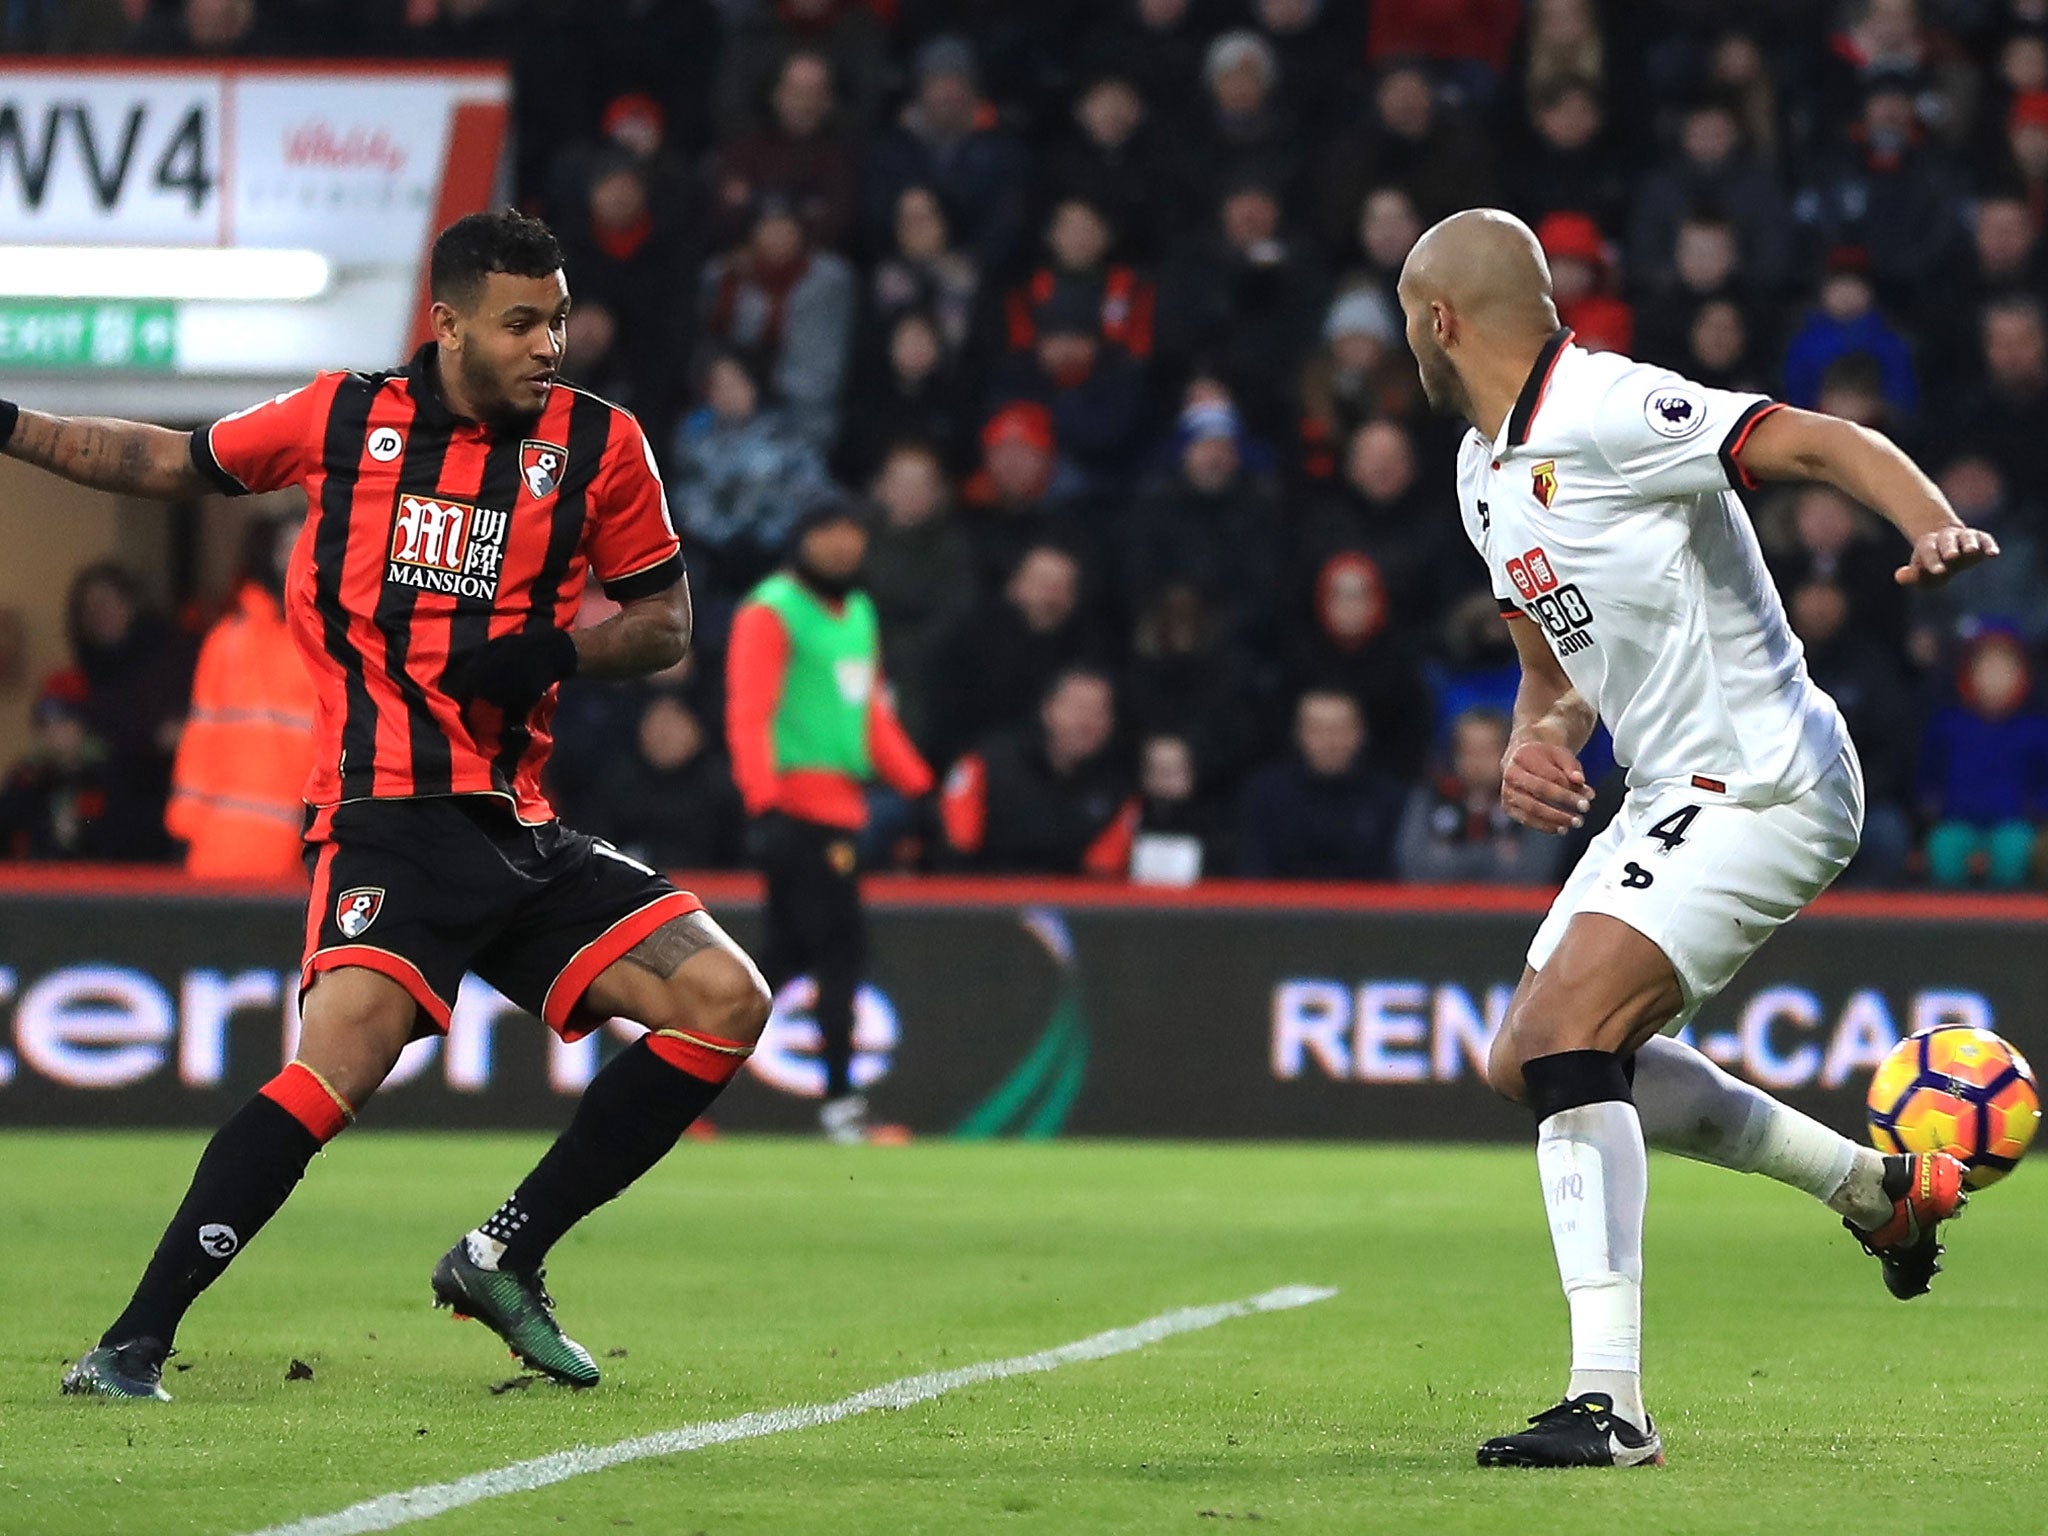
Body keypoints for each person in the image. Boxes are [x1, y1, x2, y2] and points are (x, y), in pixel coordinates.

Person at [7, 209, 774, 1403]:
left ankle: (503, 1250)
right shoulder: (339, 417)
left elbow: (667, 623)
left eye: (559, 320)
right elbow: (162, 462)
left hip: (516, 825)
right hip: (388, 816)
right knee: (340, 1064)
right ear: (449, 322)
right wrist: (8, 423)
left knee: (725, 1000)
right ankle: (131, 1343)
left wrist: (556, 655)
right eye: (521, 322)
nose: (546, 345)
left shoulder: (597, 444)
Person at [1395, 208, 1997, 1468]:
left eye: (1409, 320)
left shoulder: (1608, 404)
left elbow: (1819, 440)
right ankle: (1870, 1190)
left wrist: (1925, 521)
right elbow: (1548, 667)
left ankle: (1607, 1403)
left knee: (1568, 1036)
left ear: (1438, 321)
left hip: (1767, 777)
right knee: (1530, 1064)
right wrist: (1532, 738)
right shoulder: (1478, 473)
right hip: (1669, 786)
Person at [726, 495, 934, 1142]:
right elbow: (749, 714)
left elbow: (869, 717)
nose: (844, 546)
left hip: (842, 805)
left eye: (852, 534)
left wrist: (918, 787)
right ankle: (843, 1107)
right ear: (803, 538)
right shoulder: (772, 611)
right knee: (841, 951)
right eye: (830, 533)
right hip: (796, 807)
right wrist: (762, 804)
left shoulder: (859, 613)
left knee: (782, 962)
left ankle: (669, 1081)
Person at [166, 516, 317, 881]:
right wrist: (184, 831)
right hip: (217, 855)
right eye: (287, 547)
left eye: (307, 544)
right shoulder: (227, 640)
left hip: (297, 861)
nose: (296, 557)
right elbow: (200, 741)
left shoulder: (329, 643)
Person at [1233, 689, 1406, 879]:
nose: (1329, 741)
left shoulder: (1389, 797)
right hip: (1282, 906)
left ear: (1360, 733)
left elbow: (1397, 872)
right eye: (1317, 729)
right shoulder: (1265, 794)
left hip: (1368, 907)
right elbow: (1253, 869)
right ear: (1298, 733)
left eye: (1340, 728)